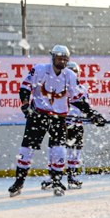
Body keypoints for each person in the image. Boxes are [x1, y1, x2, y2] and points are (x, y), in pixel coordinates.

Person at [8, 45, 104, 197]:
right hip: (38, 115)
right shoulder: (40, 70)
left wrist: (92, 114)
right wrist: (25, 105)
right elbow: (25, 88)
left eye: (65, 59)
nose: (62, 62)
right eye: (60, 58)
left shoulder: (70, 76)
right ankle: (19, 182)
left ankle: (57, 180)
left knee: (59, 150)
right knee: (26, 149)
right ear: (53, 58)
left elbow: (77, 99)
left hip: (59, 118)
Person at [40, 59, 92, 190]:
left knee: (75, 150)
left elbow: (85, 105)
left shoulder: (81, 89)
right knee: (55, 149)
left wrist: (89, 114)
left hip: (76, 123)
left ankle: (72, 175)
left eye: (75, 72)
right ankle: (53, 176)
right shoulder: (58, 87)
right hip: (60, 122)